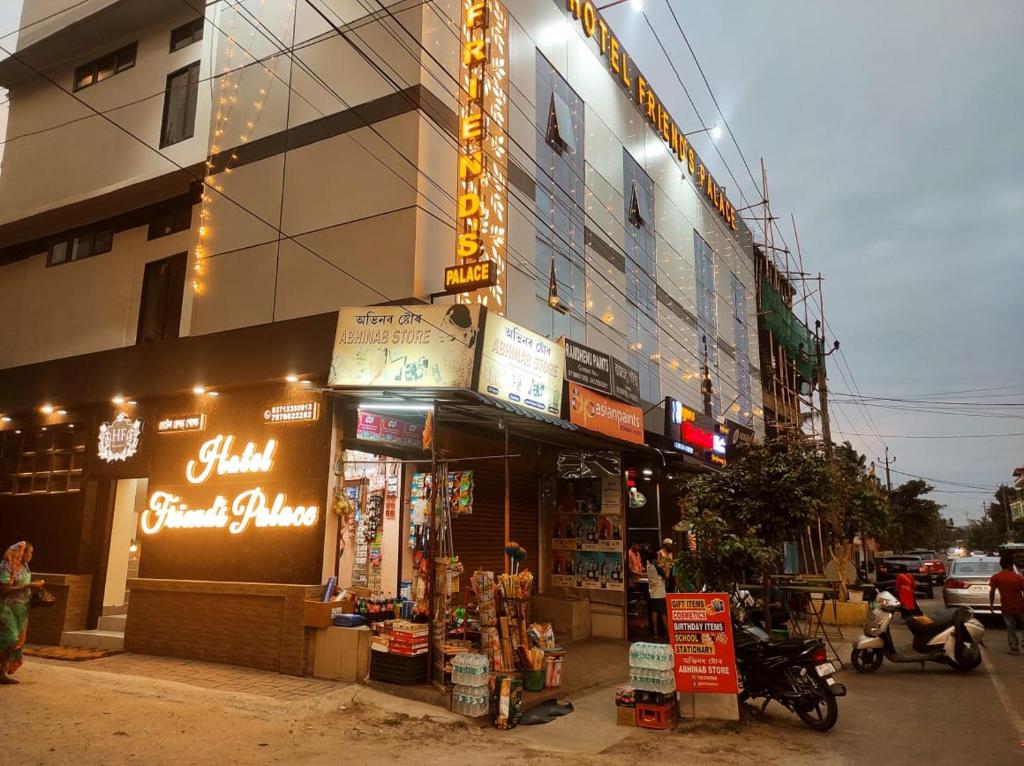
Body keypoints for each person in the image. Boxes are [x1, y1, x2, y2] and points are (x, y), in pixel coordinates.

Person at [1, 541, 45, 684]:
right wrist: (28, 585)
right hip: (6, 608)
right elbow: (4, 589)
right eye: (29, 552)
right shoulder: (7, 566)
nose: (31, 556)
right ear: (21, 552)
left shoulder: (25, 567)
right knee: (10, 637)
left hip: (21, 608)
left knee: (17, 642)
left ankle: (2, 671)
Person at [989, 555, 1024, 655]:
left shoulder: (996, 577)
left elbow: (992, 592)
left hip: (1006, 606)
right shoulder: (1018, 578)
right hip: (1020, 606)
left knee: (1010, 627)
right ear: (1009, 565)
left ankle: (1014, 648)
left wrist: (991, 605)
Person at [644, 547, 668, 642]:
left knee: (654, 612)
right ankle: (668, 632)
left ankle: (655, 633)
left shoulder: (648, 566)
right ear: (654, 558)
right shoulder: (658, 568)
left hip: (652, 593)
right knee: (662, 613)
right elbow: (666, 578)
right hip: (660, 593)